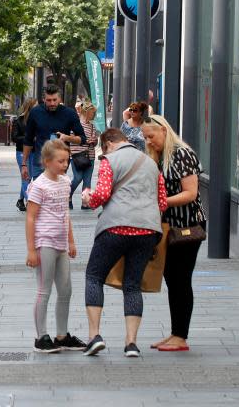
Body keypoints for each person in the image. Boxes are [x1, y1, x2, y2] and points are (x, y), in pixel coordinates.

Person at [80, 128, 168, 358]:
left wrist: (88, 197)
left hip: (115, 227)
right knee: (132, 285)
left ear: (108, 143)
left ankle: (94, 336)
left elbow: (102, 195)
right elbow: (162, 202)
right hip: (148, 230)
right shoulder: (151, 163)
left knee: (94, 276)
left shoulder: (109, 160)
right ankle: (131, 343)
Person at [141, 114, 206, 352]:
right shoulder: (158, 157)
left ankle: (181, 336)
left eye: (152, 136)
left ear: (165, 131)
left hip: (187, 226)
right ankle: (176, 332)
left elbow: (190, 193)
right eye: (145, 138)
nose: (148, 142)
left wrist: (161, 202)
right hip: (169, 226)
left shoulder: (181, 154)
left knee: (180, 279)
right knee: (171, 278)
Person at [26, 139, 86, 353]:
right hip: (45, 241)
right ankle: (41, 337)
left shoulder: (65, 182)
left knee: (66, 290)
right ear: (46, 162)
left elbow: (65, 213)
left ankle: (62, 335)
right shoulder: (38, 185)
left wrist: (71, 240)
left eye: (67, 160)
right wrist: (32, 250)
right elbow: (31, 218)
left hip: (61, 242)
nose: (65, 165)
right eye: (60, 161)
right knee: (44, 290)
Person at [21, 85, 87, 183]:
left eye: (54, 100)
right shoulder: (35, 112)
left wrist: (67, 138)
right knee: (40, 194)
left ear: (60, 98)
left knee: (57, 194)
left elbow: (82, 139)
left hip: (60, 162)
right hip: (40, 162)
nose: (52, 103)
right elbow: (28, 140)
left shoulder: (69, 113)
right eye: (49, 100)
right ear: (44, 99)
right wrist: (24, 164)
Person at [69, 101, 99, 209]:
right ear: (86, 112)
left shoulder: (92, 126)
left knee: (87, 180)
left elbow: (95, 142)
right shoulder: (75, 124)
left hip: (89, 156)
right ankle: (67, 195)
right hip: (77, 155)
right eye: (92, 112)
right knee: (77, 177)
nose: (94, 115)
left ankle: (85, 202)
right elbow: (71, 139)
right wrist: (85, 140)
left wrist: (94, 141)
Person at [13, 98, 38, 211]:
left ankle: (20, 200)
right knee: (26, 178)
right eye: (36, 106)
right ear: (30, 107)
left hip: (35, 152)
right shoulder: (19, 120)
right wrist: (29, 139)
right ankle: (30, 202)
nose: (38, 108)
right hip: (22, 152)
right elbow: (14, 137)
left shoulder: (38, 120)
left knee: (30, 177)